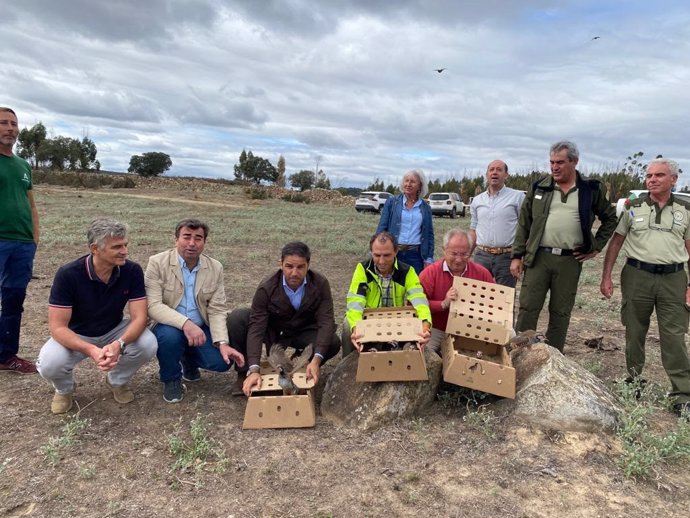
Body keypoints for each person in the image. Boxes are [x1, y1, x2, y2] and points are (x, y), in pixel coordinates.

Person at [36, 218, 157, 414]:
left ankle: (116, 381)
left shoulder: (131, 270)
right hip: (76, 333)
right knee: (50, 363)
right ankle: (64, 389)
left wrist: (119, 344)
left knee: (148, 343)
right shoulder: (68, 274)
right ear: (95, 249)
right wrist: (90, 349)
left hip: (113, 329)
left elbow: (140, 318)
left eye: (125, 245)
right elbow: (57, 327)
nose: (125, 251)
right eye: (117, 247)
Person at [600, 159, 690, 416]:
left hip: (673, 279)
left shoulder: (685, 210)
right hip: (637, 275)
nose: (652, 180)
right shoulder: (633, 207)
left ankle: (682, 394)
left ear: (673, 179)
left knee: (674, 336)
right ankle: (634, 381)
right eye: (649, 175)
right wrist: (606, 276)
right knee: (634, 331)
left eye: (659, 175)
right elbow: (617, 241)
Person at [510, 141, 617, 352]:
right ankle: (519, 354)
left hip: (570, 260)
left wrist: (595, 246)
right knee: (528, 308)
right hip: (539, 257)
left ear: (574, 161)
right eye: (551, 162)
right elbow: (524, 222)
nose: (554, 167)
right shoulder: (539, 187)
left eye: (560, 162)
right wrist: (517, 255)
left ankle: (554, 356)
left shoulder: (590, 188)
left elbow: (610, 219)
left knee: (560, 311)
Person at [145, 219, 245, 403]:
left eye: (198, 238)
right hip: (169, 325)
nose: (192, 243)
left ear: (204, 242)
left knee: (222, 362)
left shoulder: (215, 267)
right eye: (186, 237)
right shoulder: (157, 263)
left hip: (200, 326)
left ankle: (188, 361)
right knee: (170, 338)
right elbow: (153, 306)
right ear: (176, 240)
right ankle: (171, 379)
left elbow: (216, 309)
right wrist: (186, 324)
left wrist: (222, 342)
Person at [227, 242, 341, 397]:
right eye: (289, 266)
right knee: (237, 318)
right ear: (280, 264)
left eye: (300, 267)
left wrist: (316, 360)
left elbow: (326, 321)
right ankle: (244, 374)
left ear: (308, 265)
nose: (294, 273)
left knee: (332, 342)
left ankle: (304, 366)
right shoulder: (266, 287)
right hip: (274, 329)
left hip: (303, 329)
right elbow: (256, 327)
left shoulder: (320, 283)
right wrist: (254, 368)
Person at [343, 231, 432, 357]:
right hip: (369, 318)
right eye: (377, 255)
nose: (381, 261)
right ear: (371, 253)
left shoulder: (407, 272)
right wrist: (356, 328)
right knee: (347, 324)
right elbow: (355, 302)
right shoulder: (362, 269)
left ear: (396, 252)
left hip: (397, 318)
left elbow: (419, 300)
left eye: (387, 255)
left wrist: (425, 324)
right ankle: (348, 360)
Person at [0, 107, 40, 374]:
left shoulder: (23, 165)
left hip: (22, 244)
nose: (10, 128)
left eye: (13, 123)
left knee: (14, 301)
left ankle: (6, 356)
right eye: (3, 123)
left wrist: (34, 239)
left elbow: (31, 204)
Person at [420, 229, 495, 354]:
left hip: (470, 329)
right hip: (437, 328)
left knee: (509, 335)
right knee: (423, 353)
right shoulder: (430, 273)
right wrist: (443, 304)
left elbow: (494, 303)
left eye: (464, 254)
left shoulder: (482, 273)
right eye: (454, 254)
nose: (459, 259)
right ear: (444, 250)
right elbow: (413, 305)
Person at [469, 160, 525, 288]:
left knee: (504, 298)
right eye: (491, 169)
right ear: (486, 174)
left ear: (506, 175)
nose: (494, 172)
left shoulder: (517, 197)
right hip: (481, 256)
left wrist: (520, 257)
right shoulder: (477, 200)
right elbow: (473, 230)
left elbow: (525, 228)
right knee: (478, 295)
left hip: (506, 257)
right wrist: (467, 254)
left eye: (499, 170)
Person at [376, 169, 434, 273]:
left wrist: (428, 258)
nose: (408, 184)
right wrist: (377, 251)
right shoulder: (392, 203)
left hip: (416, 256)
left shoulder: (426, 208)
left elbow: (429, 234)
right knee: (392, 286)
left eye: (412, 181)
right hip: (393, 252)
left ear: (420, 185)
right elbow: (381, 229)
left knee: (414, 287)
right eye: (406, 181)